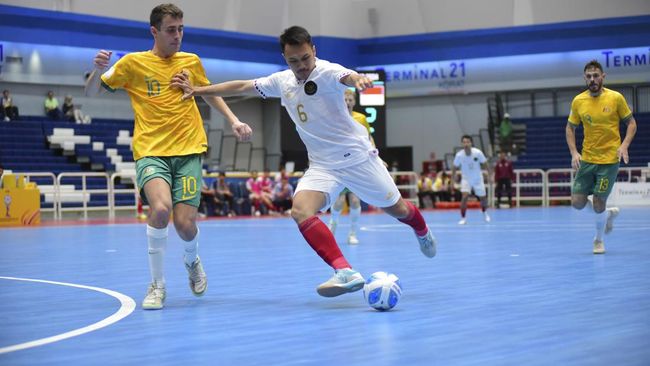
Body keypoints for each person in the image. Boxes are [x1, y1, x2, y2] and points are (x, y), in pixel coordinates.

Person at [172, 25, 436, 298]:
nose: (301, 66)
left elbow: (347, 75)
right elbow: (242, 85)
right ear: (285, 59)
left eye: (305, 58)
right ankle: (345, 271)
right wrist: (197, 91)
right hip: (322, 165)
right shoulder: (282, 81)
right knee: (300, 210)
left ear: (314, 51)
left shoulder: (328, 71)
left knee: (399, 210)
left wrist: (357, 79)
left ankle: (423, 230)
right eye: (293, 61)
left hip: (356, 159)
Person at [84, 3, 252, 310]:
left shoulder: (191, 61)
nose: (177, 36)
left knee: (185, 225)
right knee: (160, 209)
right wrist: (97, 69)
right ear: (154, 31)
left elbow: (209, 91)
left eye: (181, 29)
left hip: (188, 149)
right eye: (171, 30)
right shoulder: (133, 64)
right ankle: (157, 285)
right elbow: (92, 93)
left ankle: (191, 261)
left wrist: (233, 120)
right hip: (151, 150)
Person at [566, 59, 636, 254]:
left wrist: (624, 145)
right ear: (584, 78)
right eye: (589, 76)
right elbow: (570, 128)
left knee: (598, 203)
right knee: (577, 203)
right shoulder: (578, 101)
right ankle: (608, 214)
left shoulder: (616, 98)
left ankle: (598, 240)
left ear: (603, 77)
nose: (592, 79)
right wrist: (574, 152)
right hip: (587, 159)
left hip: (609, 161)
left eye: (596, 75)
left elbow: (631, 123)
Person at [328, 89, 375, 245]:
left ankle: (353, 234)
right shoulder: (336, 118)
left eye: (350, 100)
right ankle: (332, 225)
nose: (347, 102)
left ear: (354, 102)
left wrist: (375, 155)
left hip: (356, 164)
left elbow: (368, 138)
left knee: (355, 201)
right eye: (345, 100)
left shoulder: (361, 118)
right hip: (340, 164)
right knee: (339, 202)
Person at [451, 135, 492, 225]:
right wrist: (452, 181)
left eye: (468, 142)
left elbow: (485, 164)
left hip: (478, 178)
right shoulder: (459, 155)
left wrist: (490, 176)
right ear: (462, 144)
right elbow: (454, 168)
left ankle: (484, 212)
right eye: (464, 142)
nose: (466, 144)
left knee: (483, 198)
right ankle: (463, 218)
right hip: (466, 179)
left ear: (471, 143)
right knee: (464, 197)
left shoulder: (478, 153)